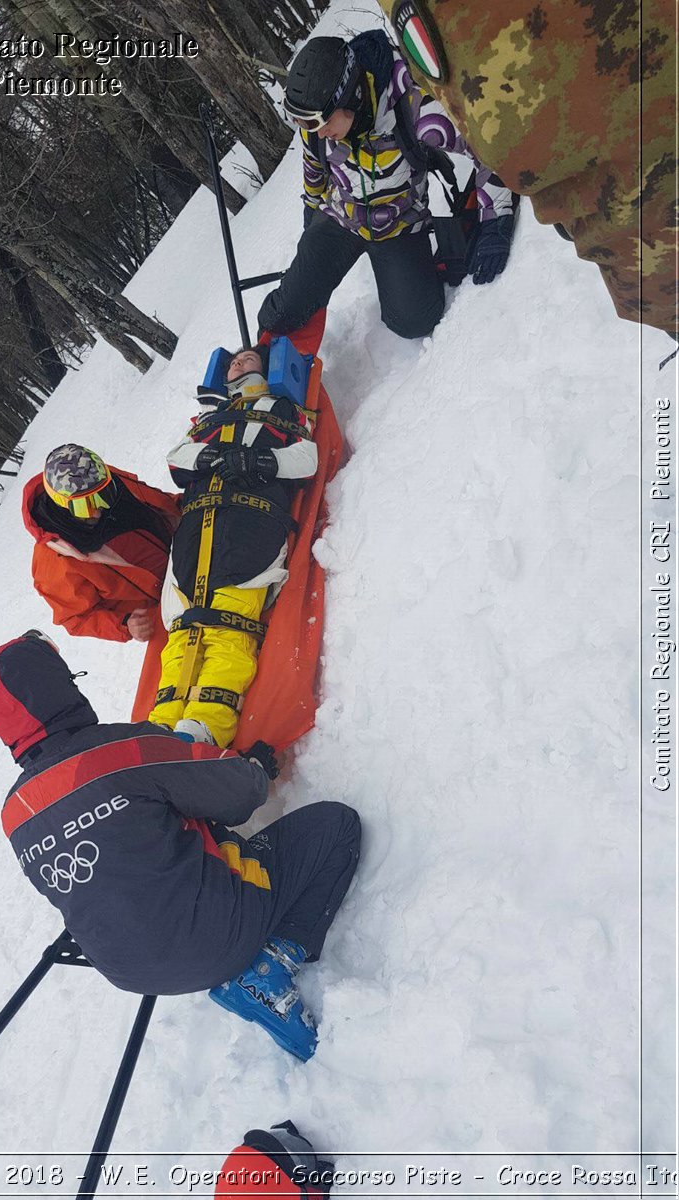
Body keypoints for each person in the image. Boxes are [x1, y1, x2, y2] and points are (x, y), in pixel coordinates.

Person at [0, 631, 361, 1060]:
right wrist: (255, 769)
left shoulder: (14, 814)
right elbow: (238, 796)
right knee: (336, 827)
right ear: (60, 691)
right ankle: (269, 966)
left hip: (127, 972)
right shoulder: (119, 749)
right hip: (214, 934)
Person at [373, 0, 677, 340]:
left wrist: (495, 212)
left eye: (321, 120)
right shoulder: (325, 134)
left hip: (644, 187)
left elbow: (486, 138)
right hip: (637, 257)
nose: (320, 130)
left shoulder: (423, 119)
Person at [259, 31, 515, 343]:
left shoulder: (413, 102)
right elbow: (314, 168)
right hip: (340, 215)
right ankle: (254, 366)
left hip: (398, 223)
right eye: (304, 123)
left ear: (348, 97)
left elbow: (487, 148)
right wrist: (311, 219)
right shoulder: (317, 122)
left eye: (320, 123)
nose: (319, 133)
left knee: (413, 323)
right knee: (283, 313)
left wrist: (495, 220)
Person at [148, 345, 318, 748]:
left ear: (267, 367)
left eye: (248, 359)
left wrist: (261, 463)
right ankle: (161, 723)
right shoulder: (207, 419)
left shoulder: (284, 410)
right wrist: (208, 456)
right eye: (234, 361)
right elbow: (177, 460)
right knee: (186, 619)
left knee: (230, 618)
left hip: (251, 520)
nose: (238, 364)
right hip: (197, 524)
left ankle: (207, 724)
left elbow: (306, 458)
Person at [22, 444, 179, 643]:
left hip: (189, 549)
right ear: (61, 504)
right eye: (83, 506)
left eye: (102, 496)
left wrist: (184, 508)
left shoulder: (101, 479)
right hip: (170, 603)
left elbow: (155, 502)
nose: (97, 510)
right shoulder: (54, 560)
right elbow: (76, 619)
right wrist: (124, 624)